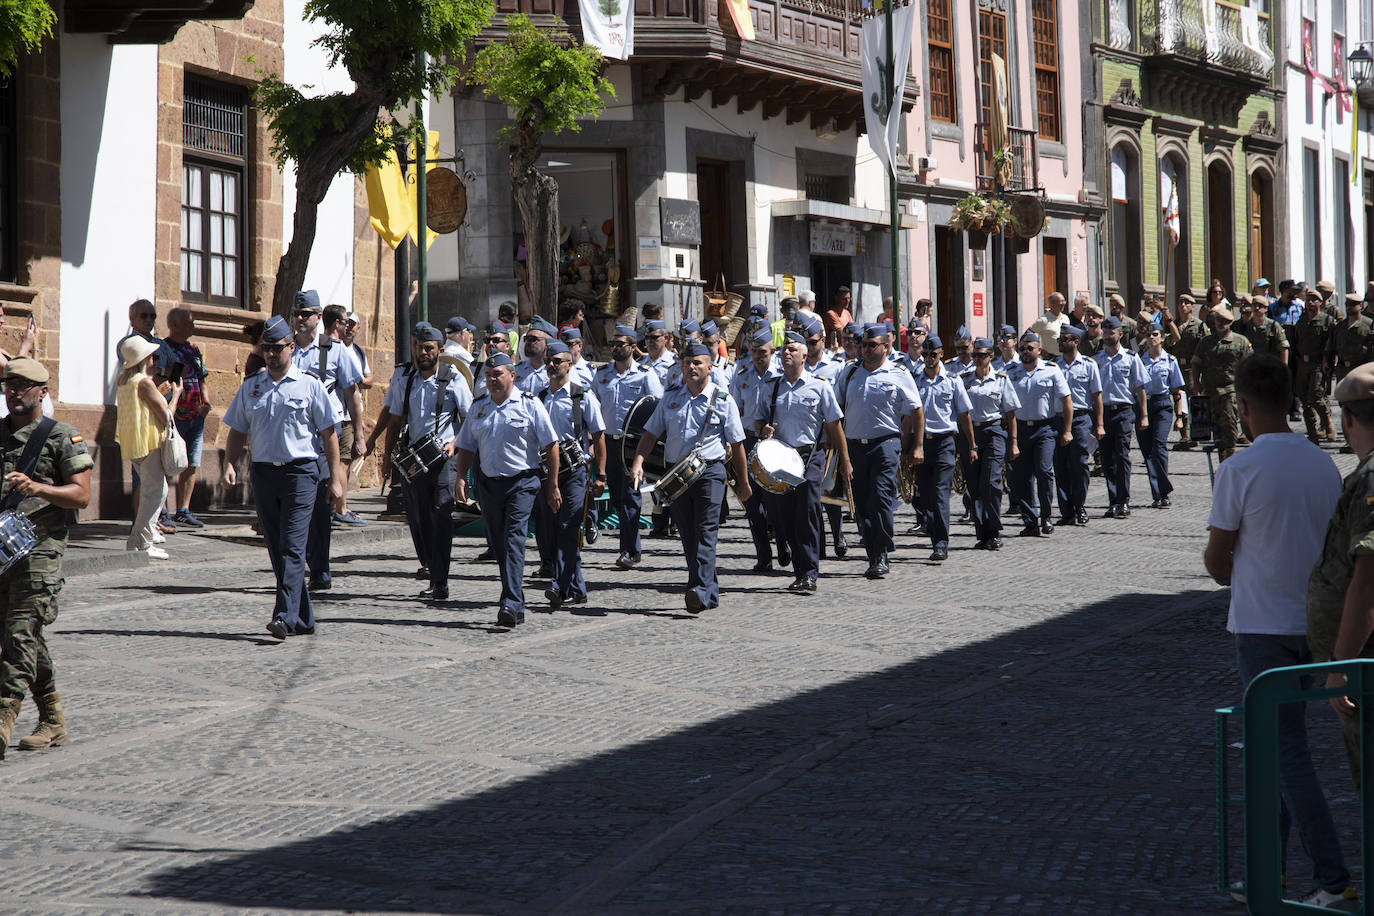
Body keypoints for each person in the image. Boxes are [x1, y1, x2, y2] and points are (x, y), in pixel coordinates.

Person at [1204, 354, 1354, 911]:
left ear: (1241, 407)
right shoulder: (1322, 464)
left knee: (1285, 752)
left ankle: (1333, 877)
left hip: (1264, 626)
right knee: (1278, 751)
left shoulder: (1240, 469)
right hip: (1316, 623)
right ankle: (1268, 870)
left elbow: (1219, 564)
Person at [221, 316, 344, 639]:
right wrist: (230, 464)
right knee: (277, 547)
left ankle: (284, 616)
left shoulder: (310, 384)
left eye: (277, 348)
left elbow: (329, 434)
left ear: (291, 347)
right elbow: (237, 429)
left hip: (301, 474)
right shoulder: (252, 386)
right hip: (263, 474)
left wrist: (335, 477)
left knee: (292, 545)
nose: (272, 354)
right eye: (267, 349)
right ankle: (303, 617)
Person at [0, 358, 93, 758]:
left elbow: (82, 495)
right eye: (9, 384)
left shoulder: (61, 437)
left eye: (23, 385)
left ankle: (4, 716)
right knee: (25, 635)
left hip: (41, 547)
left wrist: (37, 488)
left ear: (42, 391)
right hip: (3, 549)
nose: (14, 391)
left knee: (19, 632)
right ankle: (52, 719)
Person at [630, 342, 751, 612]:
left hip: (710, 472)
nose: (692, 367)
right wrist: (638, 461)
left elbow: (738, 443)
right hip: (676, 474)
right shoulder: (671, 397)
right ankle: (708, 590)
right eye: (687, 362)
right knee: (687, 534)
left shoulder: (722, 399)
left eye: (697, 362)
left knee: (706, 531)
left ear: (710, 366)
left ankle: (697, 589)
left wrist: (742, 483)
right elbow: (650, 434)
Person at [455, 353, 560, 627]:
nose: (492, 380)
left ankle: (510, 603)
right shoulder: (479, 407)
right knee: (500, 544)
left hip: (522, 483)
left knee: (514, 539)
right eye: (488, 375)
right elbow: (466, 446)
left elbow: (551, 446)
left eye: (497, 374)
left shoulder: (529, 404)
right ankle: (516, 599)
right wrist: (460, 477)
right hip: (488, 485)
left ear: (512, 375)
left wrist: (552, 485)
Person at [755, 331, 849, 592]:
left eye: (792, 350)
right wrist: (763, 430)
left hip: (811, 455)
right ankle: (799, 567)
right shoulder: (771, 386)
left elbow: (833, 426)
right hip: (779, 458)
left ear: (804, 356)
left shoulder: (819, 385)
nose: (786, 353)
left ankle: (808, 572)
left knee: (806, 513)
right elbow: (758, 420)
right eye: (784, 349)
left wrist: (844, 461)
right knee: (783, 517)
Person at [383, 324, 472, 601]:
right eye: (419, 347)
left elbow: (469, 421)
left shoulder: (453, 378)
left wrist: (455, 445)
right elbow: (395, 419)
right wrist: (386, 458)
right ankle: (431, 567)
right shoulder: (406, 378)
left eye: (429, 348)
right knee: (418, 517)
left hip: (443, 458)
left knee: (441, 515)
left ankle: (440, 580)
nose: (423, 353)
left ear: (439, 351)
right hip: (414, 459)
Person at [290, 292, 365, 589]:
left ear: (319, 317)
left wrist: (359, 434)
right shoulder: (288, 350)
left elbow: (352, 394)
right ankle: (305, 563)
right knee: (297, 508)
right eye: (297, 313)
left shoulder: (335, 351)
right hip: (295, 437)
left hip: (325, 440)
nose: (299, 318)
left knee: (321, 507)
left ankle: (320, 569)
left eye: (306, 313)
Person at [837, 324, 923, 578]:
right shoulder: (850, 373)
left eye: (872, 344)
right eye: (863, 344)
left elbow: (916, 410)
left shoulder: (898, 373)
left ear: (886, 346)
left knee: (881, 498)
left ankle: (881, 553)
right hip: (854, 446)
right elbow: (835, 408)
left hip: (885, 445)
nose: (866, 349)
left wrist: (917, 445)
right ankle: (874, 552)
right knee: (862, 505)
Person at [535, 340, 606, 609]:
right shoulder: (539, 398)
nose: (552, 365)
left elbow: (599, 437)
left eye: (558, 361)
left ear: (570, 363)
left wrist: (600, 475)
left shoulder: (582, 396)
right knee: (550, 530)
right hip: (546, 472)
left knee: (568, 527)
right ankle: (577, 588)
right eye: (549, 361)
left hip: (575, 471)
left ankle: (560, 587)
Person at [592, 324, 664, 569]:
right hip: (609, 445)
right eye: (612, 344)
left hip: (633, 445)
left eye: (619, 344)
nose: (614, 348)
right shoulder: (602, 375)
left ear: (633, 347)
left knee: (631, 496)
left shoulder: (645, 374)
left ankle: (630, 550)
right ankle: (631, 546)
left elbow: (657, 409)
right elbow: (593, 409)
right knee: (617, 498)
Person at [115, 337, 180, 559]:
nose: (155, 358)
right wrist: (177, 394)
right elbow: (166, 415)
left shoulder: (125, 381)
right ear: (144, 359)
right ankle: (142, 542)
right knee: (156, 492)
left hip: (135, 443)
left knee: (150, 491)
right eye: (151, 355)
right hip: (149, 443)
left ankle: (137, 540)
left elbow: (142, 408)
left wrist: (158, 394)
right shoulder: (144, 382)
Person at [913, 334, 974, 562]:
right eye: (925, 354)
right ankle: (934, 531)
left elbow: (964, 414)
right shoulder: (915, 380)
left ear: (941, 355)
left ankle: (941, 543)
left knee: (940, 494)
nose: (929, 359)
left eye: (933, 354)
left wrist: (972, 444)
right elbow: (907, 416)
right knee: (925, 495)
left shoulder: (953, 380)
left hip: (945, 442)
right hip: (921, 443)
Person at [731, 327, 787, 571]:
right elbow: (734, 410)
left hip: (775, 442)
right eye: (753, 351)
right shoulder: (742, 375)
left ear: (772, 351)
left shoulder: (781, 375)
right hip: (749, 441)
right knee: (752, 503)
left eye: (762, 351)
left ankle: (784, 544)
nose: (757, 356)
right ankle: (763, 556)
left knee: (775, 502)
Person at [1007, 332, 1072, 537]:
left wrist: (1067, 430)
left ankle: (1046, 515)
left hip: (1045, 428)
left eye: (1030, 348)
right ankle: (1029, 521)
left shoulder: (1051, 371)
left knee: (1044, 471)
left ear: (1039, 350)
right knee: (1021, 477)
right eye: (1022, 349)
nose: (1025, 352)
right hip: (1020, 428)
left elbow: (1066, 401)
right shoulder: (1010, 372)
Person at [963, 338, 1019, 550]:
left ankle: (994, 530)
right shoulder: (965, 380)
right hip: (971, 433)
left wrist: (1013, 443)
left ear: (991, 357)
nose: (977, 359)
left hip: (995, 431)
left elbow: (1011, 414)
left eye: (982, 355)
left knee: (992, 482)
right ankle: (982, 533)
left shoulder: (1001, 379)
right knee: (975, 485)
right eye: (975, 355)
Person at [159, 308, 212, 529]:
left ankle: (183, 509)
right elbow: (163, 381)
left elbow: (202, 378)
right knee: (169, 462)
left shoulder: (193, 349)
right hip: (175, 415)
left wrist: (206, 403)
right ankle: (162, 510)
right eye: (189, 322)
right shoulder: (164, 348)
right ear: (175, 325)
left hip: (195, 415)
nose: (193, 326)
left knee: (191, 462)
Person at [1093, 316, 1148, 519]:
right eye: (1105, 333)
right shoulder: (1096, 360)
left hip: (1124, 410)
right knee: (1107, 458)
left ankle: (1123, 501)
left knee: (1122, 455)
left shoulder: (1131, 358)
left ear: (1120, 334)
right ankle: (1113, 500)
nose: (1108, 336)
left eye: (1111, 333)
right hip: (1104, 412)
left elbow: (1140, 388)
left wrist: (1143, 416)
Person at [1053, 325, 1102, 527]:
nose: (1061, 342)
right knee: (1061, 465)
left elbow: (1097, 396)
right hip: (1057, 419)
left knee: (1080, 465)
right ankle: (1066, 511)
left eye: (1065, 339)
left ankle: (1079, 505)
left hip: (1081, 419)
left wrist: (1099, 425)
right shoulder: (1053, 366)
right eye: (1060, 339)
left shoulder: (1089, 365)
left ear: (1075, 341)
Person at [1191, 304, 1252, 461]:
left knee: (1230, 426)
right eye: (1218, 319)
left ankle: (1229, 459)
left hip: (1230, 391)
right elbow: (1196, 362)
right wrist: (1196, 383)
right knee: (1214, 429)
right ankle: (1222, 460)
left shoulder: (1240, 341)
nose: (1220, 322)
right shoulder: (1206, 342)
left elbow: (1250, 366)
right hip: (1209, 391)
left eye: (1224, 320)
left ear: (1230, 322)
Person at [1138, 326, 1185, 508]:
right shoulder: (1140, 360)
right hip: (1144, 406)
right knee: (1148, 451)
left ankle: (1164, 491)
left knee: (1159, 447)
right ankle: (1157, 494)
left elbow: (1177, 391)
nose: (1151, 338)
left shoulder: (1170, 360)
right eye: (1148, 335)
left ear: (1163, 338)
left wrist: (1179, 416)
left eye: (1155, 335)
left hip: (1162, 406)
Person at [1162, 293, 1207, 449]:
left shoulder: (1199, 325)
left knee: (1196, 398)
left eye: (1186, 302)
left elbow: (1205, 346)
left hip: (1193, 366)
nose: (1182, 305)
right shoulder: (1171, 324)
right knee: (1180, 399)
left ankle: (1200, 431)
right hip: (1178, 367)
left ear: (1192, 306)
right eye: (1180, 302)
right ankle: (1185, 435)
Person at [1291, 289, 1336, 444]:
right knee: (1304, 397)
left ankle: (1327, 422)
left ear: (1319, 302)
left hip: (1318, 363)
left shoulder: (1327, 320)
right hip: (1303, 364)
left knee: (1316, 395)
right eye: (1308, 300)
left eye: (1314, 300)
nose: (1310, 303)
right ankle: (1312, 432)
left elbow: (1331, 343)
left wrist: (1328, 362)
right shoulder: (1301, 321)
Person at [1031, 292, 1071, 357]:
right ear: (1052, 304)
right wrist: (1038, 349)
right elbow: (1028, 333)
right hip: (1050, 357)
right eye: (1060, 301)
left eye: (1064, 301)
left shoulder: (1065, 318)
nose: (1063, 304)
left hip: (1065, 357)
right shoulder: (1043, 320)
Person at [640, 318, 678, 384]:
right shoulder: (640, 363)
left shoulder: (675, 362)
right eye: (647, 338)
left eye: (654, 337)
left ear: (666, 338)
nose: (649, 341)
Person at [824, 286, 853, 351]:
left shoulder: (847, 313)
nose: (847, 301)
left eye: (848, 298)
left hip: (847, 350)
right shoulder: (831, 314)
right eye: (844, 299)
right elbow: (841, 333)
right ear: (836, 298)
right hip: (835, 351)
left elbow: (853, 329)